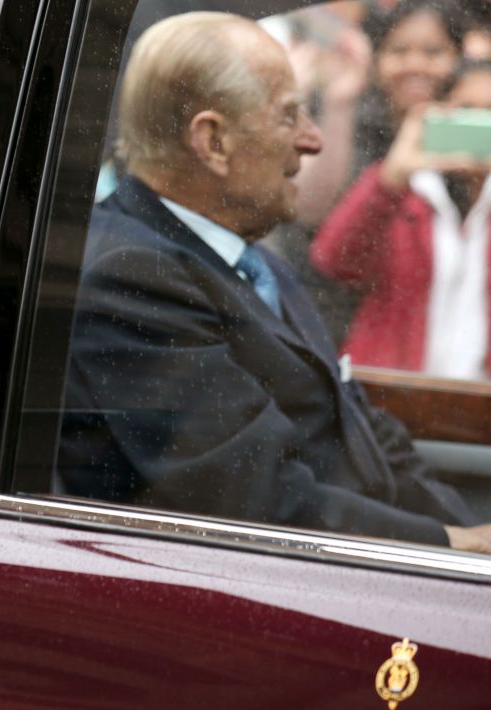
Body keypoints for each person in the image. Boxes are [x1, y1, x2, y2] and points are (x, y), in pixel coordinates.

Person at [57, 13, 491, 553]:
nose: (311, 140)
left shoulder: (249, 258)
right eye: (290, 115)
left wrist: (467, 530)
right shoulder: (131, 276)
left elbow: (363, 432)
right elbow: (259, 496)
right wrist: (453, 543)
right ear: (212, 142)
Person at [269, 0, 465, 346]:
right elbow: (316, 224)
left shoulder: (469, 139)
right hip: (338, 327)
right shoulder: (357, 123)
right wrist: (339, 104)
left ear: (460, 58)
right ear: (376, 59)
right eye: (398, 51)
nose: (415, 65)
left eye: (434, 52)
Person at [312, 61, 491, 378]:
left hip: (478, 407)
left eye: (489, 112)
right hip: (390, 396)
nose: (479, 123)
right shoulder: (400, 192)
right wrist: (391, 177)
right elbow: (332, 259)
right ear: (440, 114)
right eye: (466, 109)